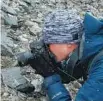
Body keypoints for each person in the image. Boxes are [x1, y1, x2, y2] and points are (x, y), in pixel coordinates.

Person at [18, 9, 103, 101]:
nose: (47, 48)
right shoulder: (90, 45)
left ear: (67, 43)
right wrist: (48, 66)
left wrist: (50, 78)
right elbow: (70, 74)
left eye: (49, 43)